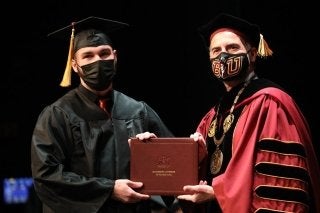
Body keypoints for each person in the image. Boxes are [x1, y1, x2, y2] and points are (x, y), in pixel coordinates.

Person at [136, 13, 320, 213]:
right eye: (216, 50)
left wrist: (217, 191)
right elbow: (192, 183)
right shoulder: (212, 117)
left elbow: (276, 183)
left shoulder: (270, 104)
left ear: (251, 54)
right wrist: (153, 153)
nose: (223, 56)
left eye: (232, 48)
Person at [30, 16, 175, 213]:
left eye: (104, 53)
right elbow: (46, 176)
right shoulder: (58, 114)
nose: (98, 61)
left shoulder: (137, 110)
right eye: (88, 56)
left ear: (115, 57)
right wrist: (109, 190)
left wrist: (154, 151)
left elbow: (173, 163)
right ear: (74, 65)